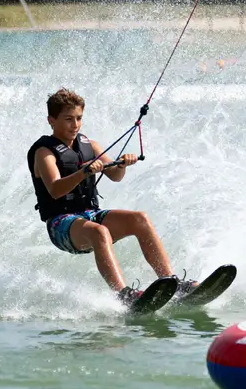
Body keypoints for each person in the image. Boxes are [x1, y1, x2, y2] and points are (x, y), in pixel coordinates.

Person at [28, 88, 196, 304]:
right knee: (99, 231)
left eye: (79, 118)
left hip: (90, 214)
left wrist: (123, 164)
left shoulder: (90, 145)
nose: (75, 125)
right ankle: (124, 295)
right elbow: (55, 189)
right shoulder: (44, 152)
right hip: (60, 224)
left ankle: (173, 283)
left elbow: (115, 176)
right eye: (68, 119)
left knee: (140, 219)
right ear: (51, 120)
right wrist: (83, 172)